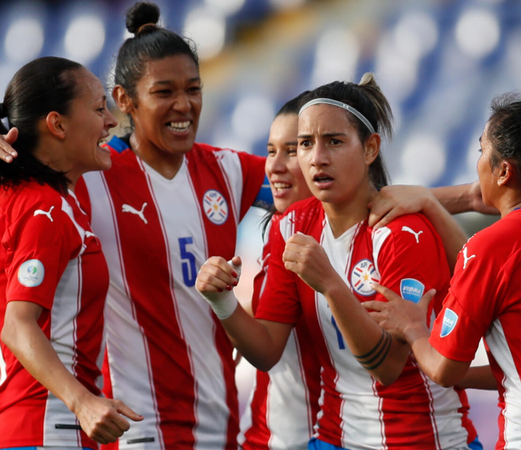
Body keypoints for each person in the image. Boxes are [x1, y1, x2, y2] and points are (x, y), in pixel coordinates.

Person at [197, 74, 479, 449]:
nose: (317, 158)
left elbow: (388, 367)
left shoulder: (403, 232)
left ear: (370, 149)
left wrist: (330, 284)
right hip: (335, 437)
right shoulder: (291, 225)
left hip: (423, 439)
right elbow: (265, 351)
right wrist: (222, 301)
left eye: (333, 142)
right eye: (306, 144)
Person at [74, 3, 267, 449]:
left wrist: (455, 200)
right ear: (124, 100)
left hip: (220, 426)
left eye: (193, 89)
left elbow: (331, 192)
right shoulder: (90, 176)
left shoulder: (227, 170)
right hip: (136, 429)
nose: (184, 105)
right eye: (164, 92)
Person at [365, 94, 521, 449]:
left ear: (504, 171)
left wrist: (413, 329)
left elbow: (443, 369)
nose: (477, 163)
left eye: (481, 151)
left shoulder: (491, 247)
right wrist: (428, 202)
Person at [0, 57, 142, 449]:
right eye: (99, 109)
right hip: (48, 425)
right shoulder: (46, 209)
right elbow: (17, 324)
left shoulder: (26, 198)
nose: (111, 121)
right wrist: (82, 402)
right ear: (57, 125)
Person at [238, 92, 321, 449]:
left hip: (314, 439)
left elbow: (268, 346)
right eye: (271, 151)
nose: (274, 165)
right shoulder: (281, 227)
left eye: (292, 150)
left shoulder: (362, 237)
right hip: (263, 436)